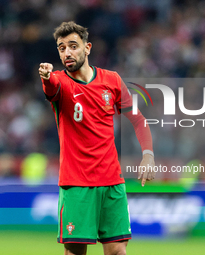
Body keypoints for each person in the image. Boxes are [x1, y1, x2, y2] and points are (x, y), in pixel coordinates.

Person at [38, 21, 155, 255]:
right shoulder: (60, 81)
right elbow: (51, 88)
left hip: (111, 180)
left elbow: (138, 120)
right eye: (62, 48)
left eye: (73, 46)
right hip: (77, 184)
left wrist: (148, 155)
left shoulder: (111, 81)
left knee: (117, 251)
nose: (67, 52)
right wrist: (46, 77)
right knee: (75, 252)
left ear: (87, 48)